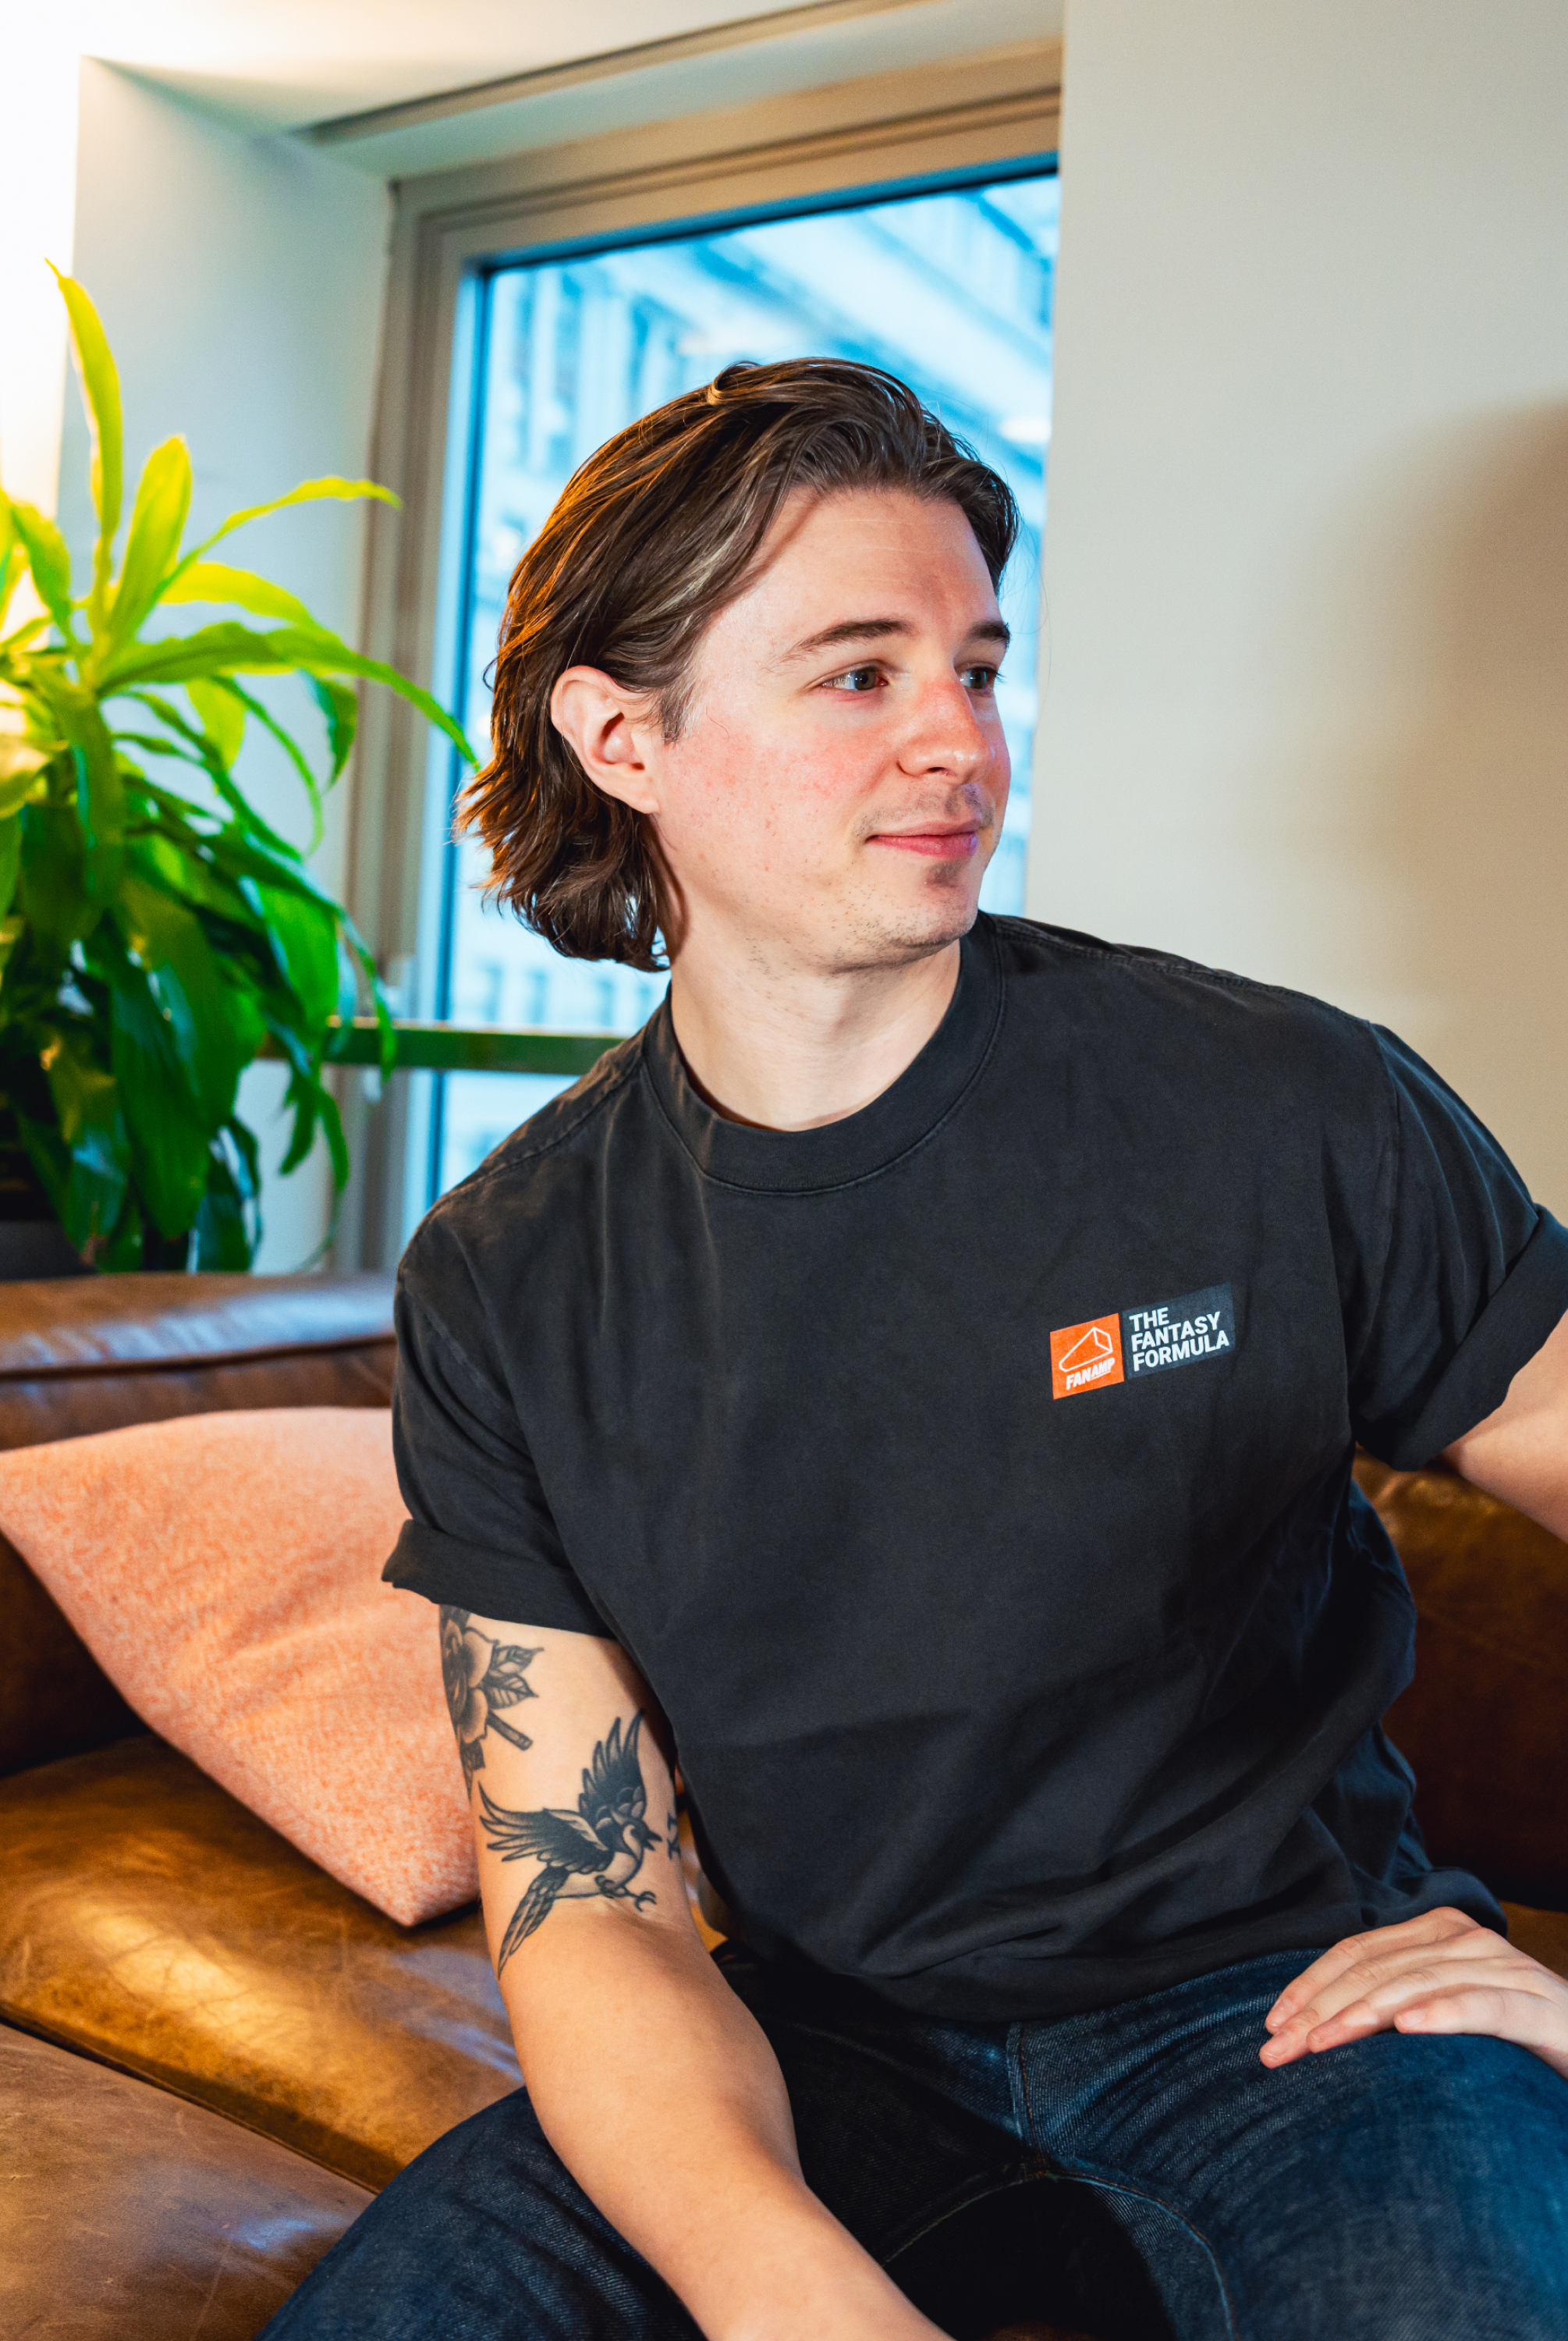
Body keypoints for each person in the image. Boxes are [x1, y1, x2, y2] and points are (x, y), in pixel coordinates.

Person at [268, 361, 1568, 2341]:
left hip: (1303, 2012)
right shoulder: (506, 1275)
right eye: (860, 674)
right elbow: (592, 1897)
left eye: (976, 662)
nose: (960, 741)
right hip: (816, 2045)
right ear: (623, 736)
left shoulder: (1274, 1100)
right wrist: (788, 2288)